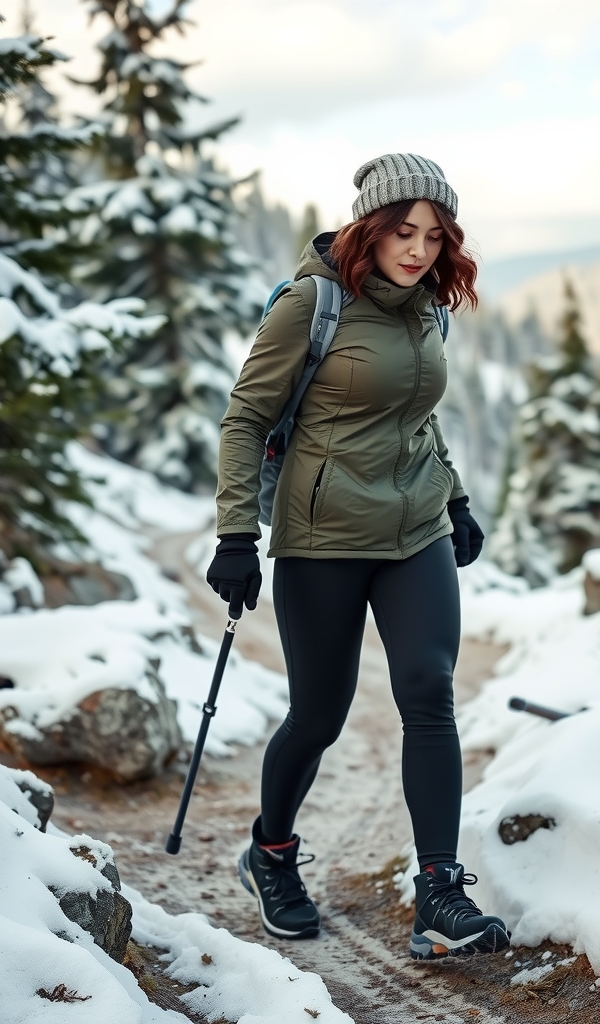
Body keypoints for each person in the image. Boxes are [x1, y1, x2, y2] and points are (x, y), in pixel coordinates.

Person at [206, 153, 509, 960]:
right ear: (368, 227)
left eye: (434, 235)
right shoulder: (313, 304)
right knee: (319, 715)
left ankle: (439, 892)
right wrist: (236, 534)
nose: (418, 249)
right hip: (324, 538)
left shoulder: (427, 310)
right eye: (403, 231)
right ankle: (270, 854)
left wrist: (453, 498)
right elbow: (245, 420)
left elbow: (415, 416)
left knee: (429, 691)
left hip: (415, 533)